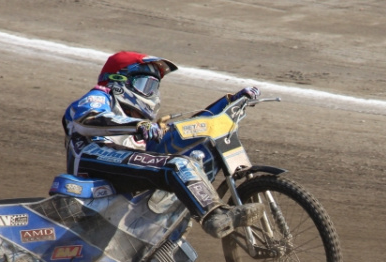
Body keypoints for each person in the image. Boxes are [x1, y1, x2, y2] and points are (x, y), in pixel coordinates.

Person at [62, 51, 265, 243]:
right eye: (145, 85)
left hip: (120, 166)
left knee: (189, 158)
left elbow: (185, 131)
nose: (151, 93)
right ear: (118, 81)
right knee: (178, 165)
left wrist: (228, 102)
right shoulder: (100, 96)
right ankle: (215, 216)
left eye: (154, 87)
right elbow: (87, 120)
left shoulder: (139, 124)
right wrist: (139, 126)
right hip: (92, 160)